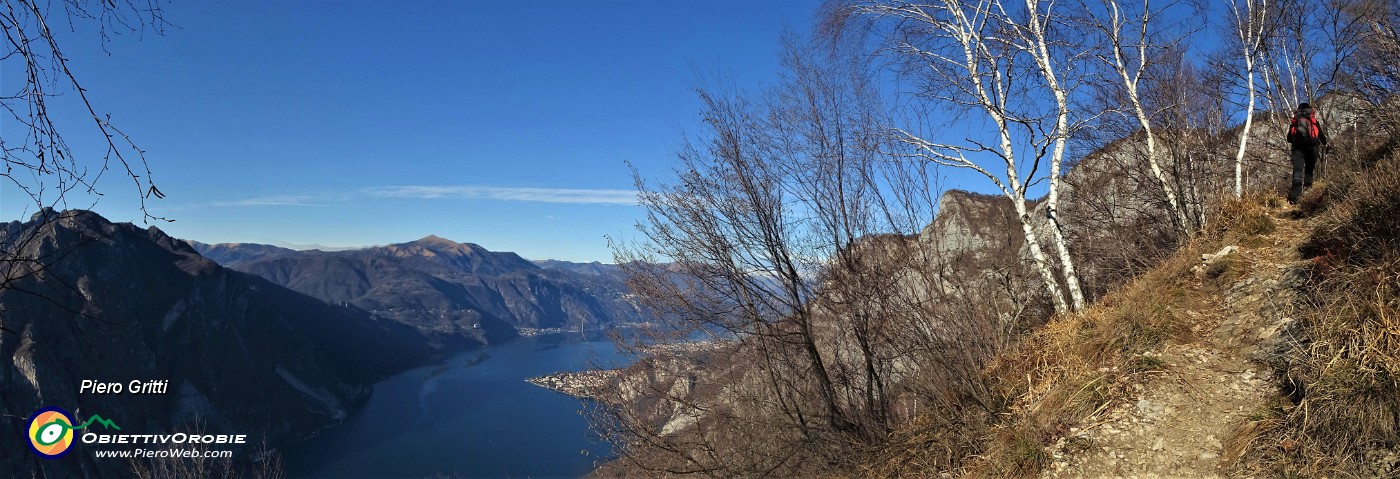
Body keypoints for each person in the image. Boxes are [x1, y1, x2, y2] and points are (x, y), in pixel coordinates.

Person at [1286, 102, 1329, 204]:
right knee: (1309, 171)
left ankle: (1296, 198)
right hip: (1312, 148)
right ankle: (1307, 195)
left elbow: (1289, 139)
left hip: (1297, 149)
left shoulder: (1295, 122)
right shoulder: (1313, 121)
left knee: (1297, 172)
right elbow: (1321, 135)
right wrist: (1325, 144)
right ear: (1309, 110)